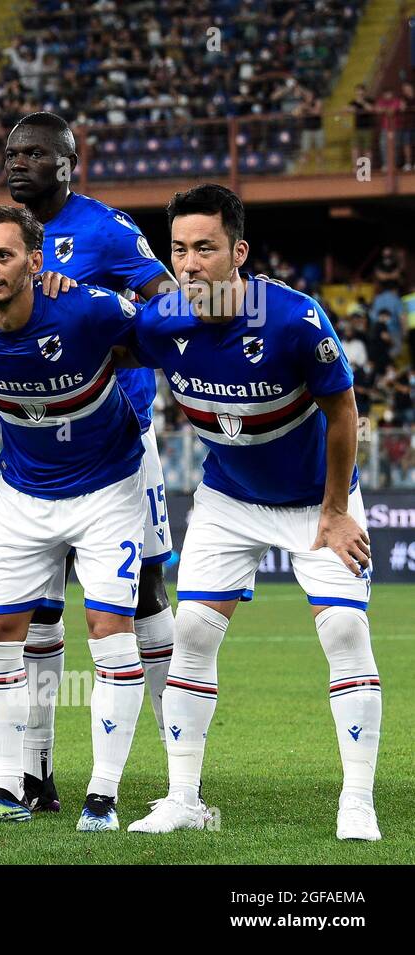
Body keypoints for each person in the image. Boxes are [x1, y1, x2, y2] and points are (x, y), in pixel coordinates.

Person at [127, 184, 380, 842]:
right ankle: (183, 797)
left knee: (346, 636)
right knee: (191, 633)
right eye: (178, 249)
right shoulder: (160, 322)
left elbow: (344, 410)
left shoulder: (294, 319)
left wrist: (335, 510)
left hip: (316, 503)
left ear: (237, 251)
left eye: (205, 248)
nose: (188, 263)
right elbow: (96, 343)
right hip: (228, 500)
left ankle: (357, 802)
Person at [0, 205, 147, 832]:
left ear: (37, 260)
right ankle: (7, 789)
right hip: (23, 495)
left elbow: (167, 331)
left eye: (3, 256)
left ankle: (103, 798)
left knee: (107, 627)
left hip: (108, 487)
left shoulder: (88, 308)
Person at [4, 111, 176, 811]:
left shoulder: (105, 228)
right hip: (37, 447)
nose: (20, 162)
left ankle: (177, 765)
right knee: (38, 612)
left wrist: (120, 341)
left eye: (37, 153)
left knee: (141, 593)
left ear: (71, 161)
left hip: (121, 438)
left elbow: (166, 299)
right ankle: (37, 772)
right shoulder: (1, 237)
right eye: (13, 152)